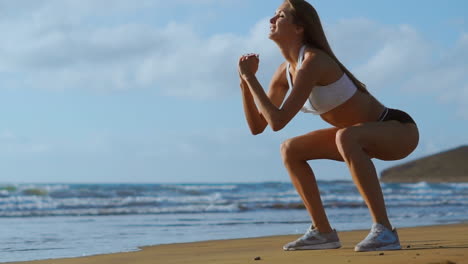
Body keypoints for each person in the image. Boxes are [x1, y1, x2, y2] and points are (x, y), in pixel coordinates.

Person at [238, 0, 419, 252]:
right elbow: (259, 126)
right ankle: (322, 232)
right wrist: (245, 84)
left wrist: (250, 77)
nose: (271, 20)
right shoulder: (284, 71)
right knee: (290, 149)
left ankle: (385, 230)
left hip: (397, 130)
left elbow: (278, 121)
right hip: (354, 137)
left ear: (300, 27)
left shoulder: (313, 61)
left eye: (280, 16)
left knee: (346, 136)